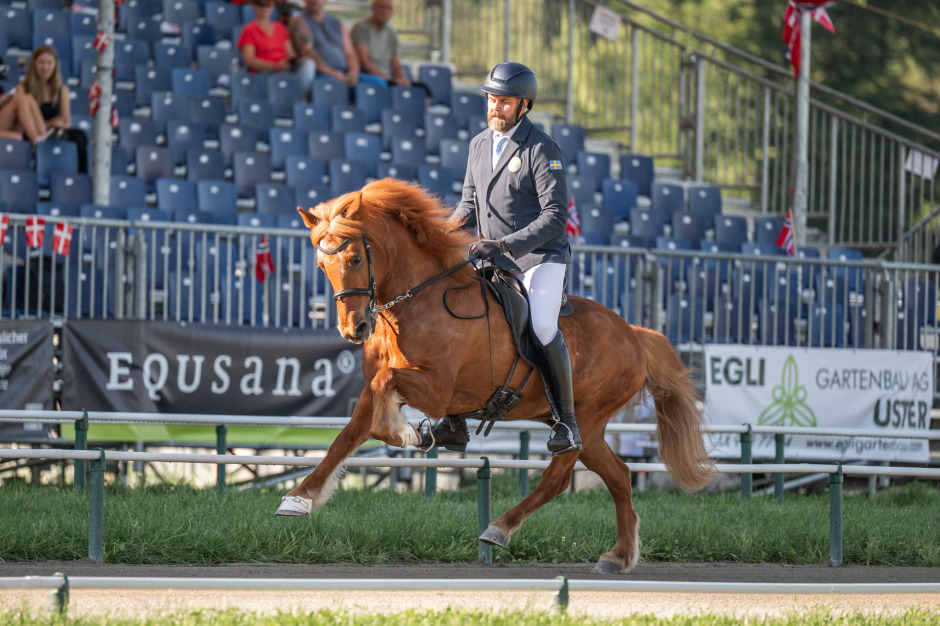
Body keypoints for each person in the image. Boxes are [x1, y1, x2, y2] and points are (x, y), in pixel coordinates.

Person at [431, 62, 582, 456]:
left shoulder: (541, 148)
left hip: (537, 258)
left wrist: (505, 245)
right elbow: (469, 202)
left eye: (504, 102)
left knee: (544, 325)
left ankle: (566, 420)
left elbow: (555, 217)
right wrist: (442, 235)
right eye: (491, 100)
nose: (495, 107)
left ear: (524, 105)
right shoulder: (479, 144)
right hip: (489, 256)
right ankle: (453, 421)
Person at [19, 45, 88, 172]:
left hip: (52, 131)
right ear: (34, 64)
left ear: (55, 65)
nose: (45, 67)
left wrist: (54, 124)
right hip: (31, 131)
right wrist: (47, 124)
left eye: (49, 63)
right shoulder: (23, 87)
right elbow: (20, 119)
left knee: (80, 136)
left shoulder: (62, 89)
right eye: (41, 62)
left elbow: (66, 122)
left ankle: (80, 176)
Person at [288, 0, 361, 92]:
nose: (315, 1)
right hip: (320, 74)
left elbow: (350, 53)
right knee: (334, 85)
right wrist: (333, 73)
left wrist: (353, 72)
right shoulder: (299, 22)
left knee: (375, 82)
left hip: (344, 73)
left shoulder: (338, 23)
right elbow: (307, 52)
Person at [350, 0, 411, 87]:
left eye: (388, 8)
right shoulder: (361, 28)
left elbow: (396, 64)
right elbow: (364, 61)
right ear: (373, 8)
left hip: (387, 78)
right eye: (381, 7)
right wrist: (386, 78)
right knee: (380, 83)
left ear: (393, 11)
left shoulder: (392, 32)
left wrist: (402, 79)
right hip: (368, 78)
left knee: (421, 89)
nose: (385, 11)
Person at [237, 0, 300, 75]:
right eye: (260, 4)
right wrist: (276, 66)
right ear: (254, 6)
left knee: (308, 64)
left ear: (272, 7)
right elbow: (248, 60)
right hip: (263, 72)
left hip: (284, 69)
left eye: (268, 4)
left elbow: (290, 53)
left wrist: (296, 59)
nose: (264, 8)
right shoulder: (249, 30)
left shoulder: (280, 27)